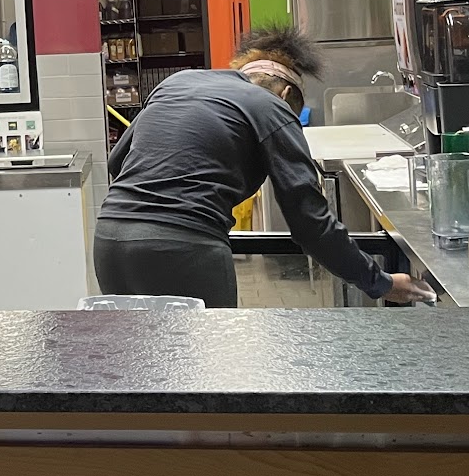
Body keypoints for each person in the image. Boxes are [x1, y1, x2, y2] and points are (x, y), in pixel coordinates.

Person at [96, 24, 428, 308]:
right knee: (204, 358)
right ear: (285, 94)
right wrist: (380, 282)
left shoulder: (179, 82)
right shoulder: (271, 106)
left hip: (110, 240)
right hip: (185, 250)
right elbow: (310, 223)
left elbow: (117, 161)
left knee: (144, 356)